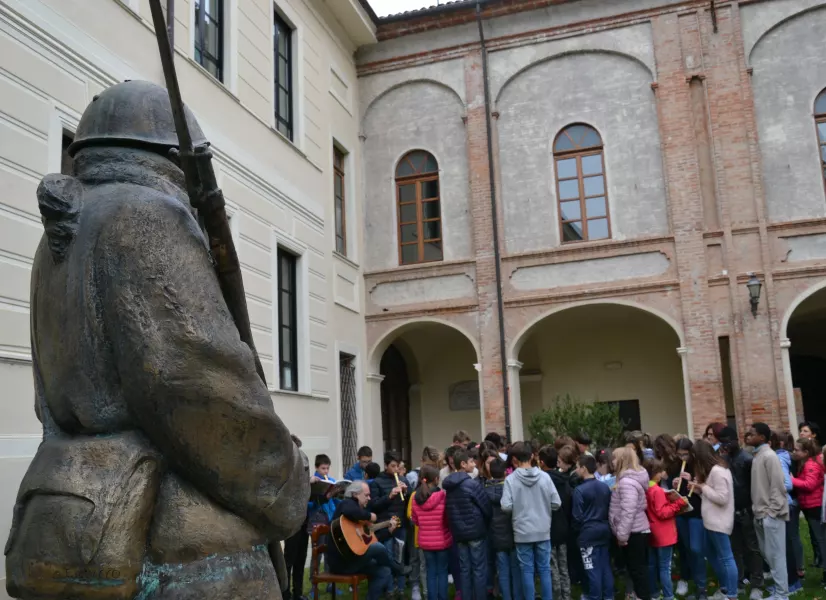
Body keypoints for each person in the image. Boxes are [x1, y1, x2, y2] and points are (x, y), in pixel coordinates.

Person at [4, 80, 310, 598]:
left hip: (83, 532)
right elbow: (200, 390)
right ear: (174, 160)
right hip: (180, 556)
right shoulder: (146, 215)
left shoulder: (63, 231)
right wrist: (285, 481)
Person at [326, 481, 409, 600]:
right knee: (378, 547)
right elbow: (350, 511)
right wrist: (370, 516)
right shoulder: (346, 504)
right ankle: (398, 568)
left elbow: (369, 540)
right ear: (354, 494)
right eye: (366, 495)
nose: (369, 498)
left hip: (354, 558)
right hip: (341, 563)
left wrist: (388, 532)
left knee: (384, 571)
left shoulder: (358, 517)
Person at [502, 441, 561, 600]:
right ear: (533, 455)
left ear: (514, 459)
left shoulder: (511, 480)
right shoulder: (545, 477)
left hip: (522, 531)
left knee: (527, 570)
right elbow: (556, 502)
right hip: (542, 529)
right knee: (544, 569)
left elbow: (506, 506)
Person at [717, 427, 765, 600]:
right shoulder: (724, 458)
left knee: (753, 548)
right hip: (730, 511)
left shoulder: (747, 459)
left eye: (728, 441)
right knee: (735, 548)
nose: (725, 445)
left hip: (747, 510)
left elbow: (754, 487)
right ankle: (738, 581)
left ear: (736, 439)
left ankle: (757, 584)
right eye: (722, 442)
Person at [748, 423, 790, 600]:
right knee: (769, 556)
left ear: (762, 438)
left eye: (752, 434)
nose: (748, 436)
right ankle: (779, 590)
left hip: (771, 514)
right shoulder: (758, 455)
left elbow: (778, 486)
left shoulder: (770, 456)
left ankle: (782, 594)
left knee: (776, 555)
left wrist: (771, 512)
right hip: (760, 514)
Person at [692, 439, 738, 600]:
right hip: (710, 521)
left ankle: (732, 593)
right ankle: (725, 588)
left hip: (719, 522)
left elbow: (722, 498)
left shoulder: (718, 471)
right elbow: (711, 495)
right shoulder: (714, 470)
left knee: (726, 557)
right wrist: (699, 489)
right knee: (710, 553)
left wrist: (703, 487)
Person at [444, 449, 491, 600]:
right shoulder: (471, 484)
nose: (474, 464)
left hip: (459, 533)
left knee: (464, 569)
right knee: (478, 569)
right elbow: (486, 507)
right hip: (476, 531)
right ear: (463, 464)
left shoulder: (449, 487)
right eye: (471, 461)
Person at [609, 446, 652, 600]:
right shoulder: (626, 479)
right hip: (634, 531)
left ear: (621, 460)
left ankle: (643, 596)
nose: (611, 461)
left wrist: (621, 534)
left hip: (634, 532)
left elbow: (628, 510)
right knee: (637, 569)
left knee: (637, 571)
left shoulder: (626, 483)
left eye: (614, 458)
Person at [644, 458, 687, 600]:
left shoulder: (646, 488)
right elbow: (663, 513)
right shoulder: (657, 490)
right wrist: (678, 503)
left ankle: (654, 593)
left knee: (652, 565)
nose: (663, 473)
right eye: (661, 471)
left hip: (652, 531)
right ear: (656, 473)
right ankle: (669, 595)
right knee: (665, 567)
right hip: (664, 534)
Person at [573, 454, 614, 600]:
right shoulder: (604, 487)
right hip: (604, 529)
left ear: (584, 469)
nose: (576, 470)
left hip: (588, 533)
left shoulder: (579, 490)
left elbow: (577, 516)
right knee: (605, 567)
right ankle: (609, 596)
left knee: (591, 569)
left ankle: (594, 596)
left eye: (578, 467)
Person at [370, 452, 410, 597]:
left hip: (400, 525)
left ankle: (400, 588)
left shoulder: (402, 479)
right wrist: (390, 496)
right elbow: (374, 505)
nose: (395, 469)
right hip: (385, 526)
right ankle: (389, 589)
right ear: (386, 465)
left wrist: (406, 492)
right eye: (392, 466)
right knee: (387, 557)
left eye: (397, 466)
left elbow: (408, 502)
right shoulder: (377, 482)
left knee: (400, 557)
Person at [411, 465, 452, 600]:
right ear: (436, 479)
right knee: (442, 571)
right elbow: (447, 519)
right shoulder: (442, 497)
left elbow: (415, 520)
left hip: (425, 541)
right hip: (442, 540)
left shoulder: (415, 498)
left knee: (431, 572)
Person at [673, 437, 706, 599]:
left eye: (685, 455)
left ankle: (702, 587)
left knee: (696, 549)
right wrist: (675, 485)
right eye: (679, 455)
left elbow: (704, 491)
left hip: (696, 513)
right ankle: (690, 579)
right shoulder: (677, 466)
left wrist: (693, 482)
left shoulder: (698, 466)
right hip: (681, 512)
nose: (682, 458)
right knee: (685, 548)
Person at [485, 458, 522, 600]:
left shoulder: (485, 490)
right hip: (512, 532)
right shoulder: (511, 487)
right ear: (506, 471)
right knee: (515, 568)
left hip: (496, 534)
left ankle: (506, 596)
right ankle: (518, 596)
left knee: (503, 570)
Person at [791, 437, 826, 586]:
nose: (794, 452)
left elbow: (809, 484)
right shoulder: (803, 464)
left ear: (806, 452)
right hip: (809, 506)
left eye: (797, 450)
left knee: (821, 540)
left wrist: (791, 480)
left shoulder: (811, 465)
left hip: (814, 506)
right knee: (819, 539)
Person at [539, 446, 572, 600]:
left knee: (552, 567)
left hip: (549, 529)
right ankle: (567, 595)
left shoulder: (542, 481)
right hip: (563, 527)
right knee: (563, 566)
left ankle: (557, 596)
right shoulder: (564, 480)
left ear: (542, 462)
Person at [771, 431, 802, 590]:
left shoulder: (780, 458)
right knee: (789, 540)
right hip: (790, 502)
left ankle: (793, 581)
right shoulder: (789, 457)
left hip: (786, 503)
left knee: (787, 542)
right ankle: (793, 578)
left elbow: (788, 484)